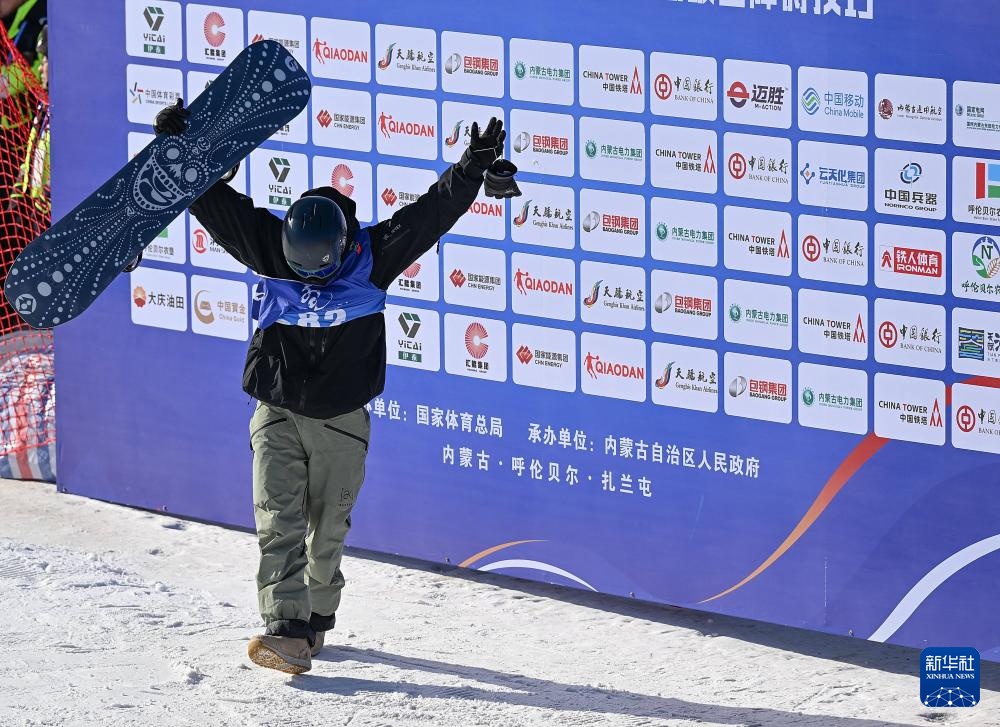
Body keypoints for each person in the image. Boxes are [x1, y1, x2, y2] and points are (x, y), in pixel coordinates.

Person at [153, 99, 519, 674]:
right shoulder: (269, 244)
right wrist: (178, 145)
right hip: (275, 409)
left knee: (325, 535)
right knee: (278, 520)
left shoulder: (375, 255)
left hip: (341, 421)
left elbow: (432, 213)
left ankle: (315, 620)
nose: (311, 282)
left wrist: (472, 166)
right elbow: (211, 202)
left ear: (344, 246)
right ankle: (286, 630)